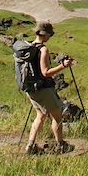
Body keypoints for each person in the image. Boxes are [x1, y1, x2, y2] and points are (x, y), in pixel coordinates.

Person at [24, 21, 75, 155]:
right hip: (43, 89)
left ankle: (30, 145)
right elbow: (45, 72)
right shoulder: (43, 49)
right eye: (49, 35)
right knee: (57, 117)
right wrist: (63, 66)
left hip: (30, 89)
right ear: (45, 35)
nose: (50, 37)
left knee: (40, 116)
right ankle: (60, 145)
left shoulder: (28, 47)